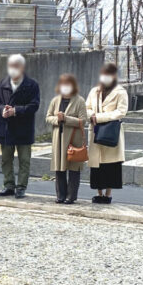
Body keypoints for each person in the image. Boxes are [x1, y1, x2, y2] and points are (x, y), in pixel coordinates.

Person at [0, 54, 41, 198]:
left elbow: (34, 105)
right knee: (6, 159)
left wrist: (16, 111)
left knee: (24, 160)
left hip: (23, 128)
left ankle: (21, 187)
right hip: (6, 127)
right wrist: (3, 110)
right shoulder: (2, 84)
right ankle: (9, 185)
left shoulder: (31, 85)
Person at [85, 63, 129, 204]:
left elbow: (121, 112)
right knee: (97, 164)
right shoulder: (95, 91)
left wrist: (99, 117)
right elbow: (86, 107)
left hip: (110, 130)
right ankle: (99, 192)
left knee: (111, 165)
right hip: (96, 130)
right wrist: (91, 115)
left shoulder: (120, 92)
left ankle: (108, 194)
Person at [45, 73, 87, 204]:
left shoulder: (79, 100)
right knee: (59, 167)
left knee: (74, 167)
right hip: (58, 138)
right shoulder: (55, 100)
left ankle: (71, 196)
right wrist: (57, 119)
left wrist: (66, 119)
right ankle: (60, 195)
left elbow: (83, 120)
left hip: (73, 139)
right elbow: (48, 117)